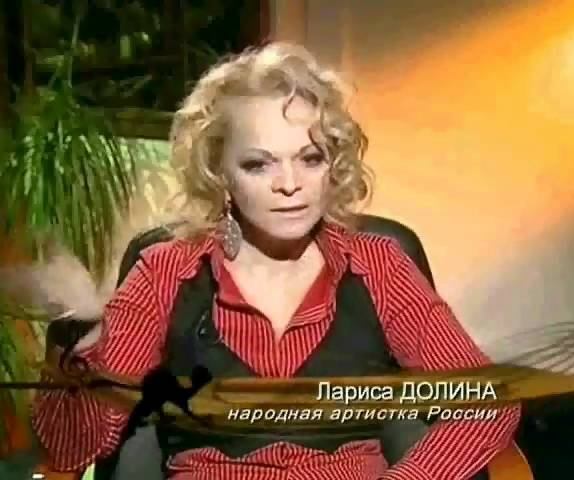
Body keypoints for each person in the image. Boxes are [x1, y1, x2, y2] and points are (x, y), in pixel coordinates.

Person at [32, 42, 521, 480]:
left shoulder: (379, 265)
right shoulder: (163, 271)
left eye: (310, 158)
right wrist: (84, 354)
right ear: (220, 173)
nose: (290, 184)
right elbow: (72, 447)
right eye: (258, 163)